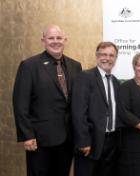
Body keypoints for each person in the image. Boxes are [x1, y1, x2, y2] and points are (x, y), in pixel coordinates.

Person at [12, 25, 82, 176]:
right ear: (43, 40)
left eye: (59, 38)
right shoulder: (29, 66)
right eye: (51, 38)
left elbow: (77, 102)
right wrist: (27, 135)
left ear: (65, 40)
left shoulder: (75, 66)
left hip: (68, 139)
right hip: (39, 140)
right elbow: (20, 103)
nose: (55, 41)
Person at [72, 41, 120, 176]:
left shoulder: (115, 82)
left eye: (112, 55)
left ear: (115, 59)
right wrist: (83, 141)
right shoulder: (84, 77)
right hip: (90, 143)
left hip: (111, 142)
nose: (107, 58)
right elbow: (78, 112)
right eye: (103, 54)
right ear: (97, 56)